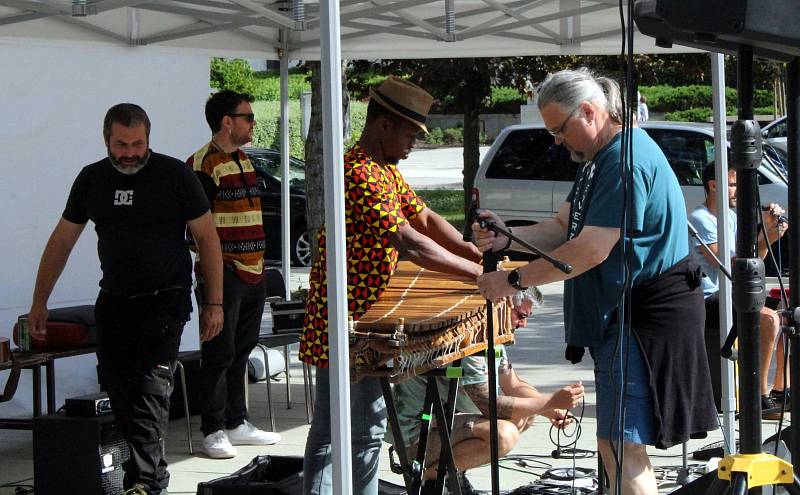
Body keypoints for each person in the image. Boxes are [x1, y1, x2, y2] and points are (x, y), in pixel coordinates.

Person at [473, 68, 717, 495]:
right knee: (615, 445)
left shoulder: (625, 161)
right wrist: (506, 235)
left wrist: (513, 280)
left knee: (621, 446)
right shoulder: (598, 161)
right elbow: (561, 227)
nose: (556, 140)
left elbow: (589, 250)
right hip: (622, 319)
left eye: (559, 130)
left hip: (644, 319)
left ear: (589, 112)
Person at [300, 76, 485, 495]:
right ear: (383, 125)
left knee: (353, 428)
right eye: (410, 133)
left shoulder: (384, 170)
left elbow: (425, 219)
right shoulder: (357, 171)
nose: (414, 143)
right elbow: (410, 242)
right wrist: (478, 276)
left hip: (368, 324)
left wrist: (475, 254)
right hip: (345, 324)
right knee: (353, 431)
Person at [27, 103, 224, 495]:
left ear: (149, 138)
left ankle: (144, 484)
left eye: (138, 143)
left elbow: (207, 238)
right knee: (121, 394)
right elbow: (62, 241)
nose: (131, 152)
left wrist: (213, 303)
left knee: (151, 387)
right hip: (114, 300)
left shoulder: (175, 175)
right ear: (107, 141)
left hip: (166, 297)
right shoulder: (91, 179)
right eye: (122, 144)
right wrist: (39, 302)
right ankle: (152, 475)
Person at [390, 287, 584, 492]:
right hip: (417, 434)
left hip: (442, 421)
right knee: (504, 435)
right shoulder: (472, 341)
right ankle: (431, 477)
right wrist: (551, 401)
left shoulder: (491, 335)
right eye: (521, 316)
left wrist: (550, 410)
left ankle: (452, 472)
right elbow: (491, 406)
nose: (523, 324)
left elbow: (514, 385)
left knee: (524, 415)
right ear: (504, 304)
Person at [187, 89, 281, 459]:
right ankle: (212, 429)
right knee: (218, 351)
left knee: (241, 350)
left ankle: (236, 421)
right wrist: (213, 275)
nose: (253, 122)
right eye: (248, 116)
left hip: (254, 270)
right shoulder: (201, 165)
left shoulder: (245, 160)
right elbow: (194, 228)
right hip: (222, 272)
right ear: (228, 121)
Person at [689, 164, 788, 419]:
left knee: (790, 315)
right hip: (708, 298)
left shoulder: (731, 217)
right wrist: (764, 237)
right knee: (768, 318)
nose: (737, 190)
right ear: (713, 185)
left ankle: (780, 389)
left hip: (732, 294)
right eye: (732, 184)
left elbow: (755, 263)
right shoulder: (701, 218)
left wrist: (769, 236)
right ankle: (756, 396)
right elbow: (733, 265)